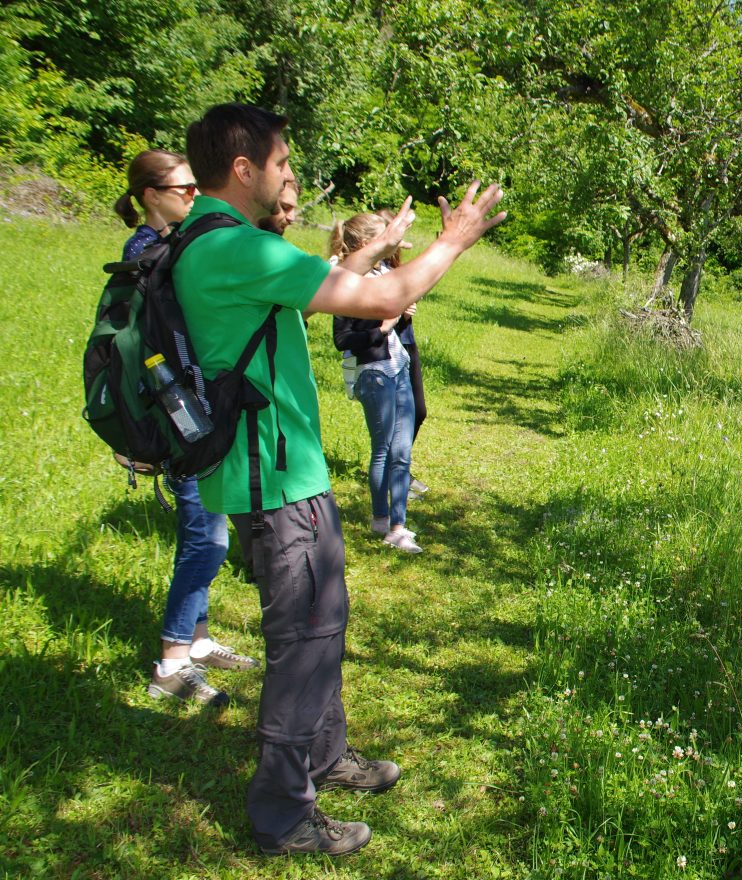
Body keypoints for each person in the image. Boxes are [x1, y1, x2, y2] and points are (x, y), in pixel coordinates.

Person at [173, 103, 503, 857]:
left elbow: (320, 287)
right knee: (305, 643)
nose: (290, 176)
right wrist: (453, 241)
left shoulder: (212, 242)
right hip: (277, 481)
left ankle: (325, 757)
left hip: (275, 474)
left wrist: (376, 247)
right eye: (282, 163)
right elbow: (385, 299)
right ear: (244, 168)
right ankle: (283, 813)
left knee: (319, 628)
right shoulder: (237, 248)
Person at [114, 149, 257, 709]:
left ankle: (196, 640)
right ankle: (171, 665)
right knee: (207, 538)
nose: (195, 197)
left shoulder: (167, 246)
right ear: (151, 195)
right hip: (178, 418)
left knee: (206, 526)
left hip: (194, 410)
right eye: (184, 189)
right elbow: (141, 353)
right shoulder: (145, 255)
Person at [329, 214, 421, 553]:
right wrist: (381, 328)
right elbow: (342, 339)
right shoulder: (346, 281)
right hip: (374, 374)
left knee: (402, 451)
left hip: (399, 366)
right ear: (366, 243)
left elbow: (396, 323)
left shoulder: (384, 274)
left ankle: (398, 525)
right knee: (383, 449)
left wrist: (403, 316)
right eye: (384, 236)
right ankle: (381, 518)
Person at [376, 209, 429, 497]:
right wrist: (398, 309)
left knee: (417, 411)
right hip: (384, 351)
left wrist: (407, 311)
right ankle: (395, 477)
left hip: (406, 343)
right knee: (396, 418)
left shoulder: (394, 266)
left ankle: (399, 470)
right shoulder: (372, 271)